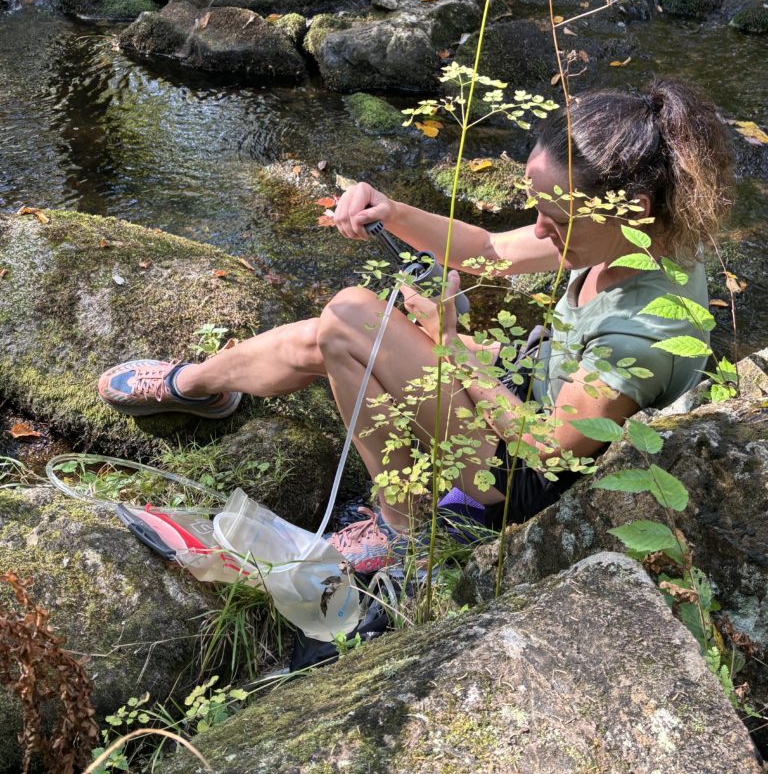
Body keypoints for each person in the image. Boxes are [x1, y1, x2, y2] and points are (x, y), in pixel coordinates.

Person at [98, 78, 734, 573]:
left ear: (631, 207)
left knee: (351, 320)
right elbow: (492, 250)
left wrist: (456, 348)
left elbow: (546, 451)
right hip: (527, 397)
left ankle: (401, 532)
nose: (541, 231)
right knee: (338, 331)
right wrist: (393, 210)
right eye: (539, 209)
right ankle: (198, 383)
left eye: (556, 217)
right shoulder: (635, 234)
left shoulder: (643, 336)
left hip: (518, 480)